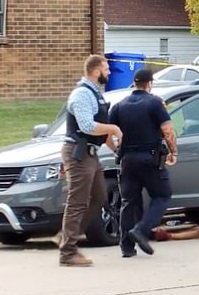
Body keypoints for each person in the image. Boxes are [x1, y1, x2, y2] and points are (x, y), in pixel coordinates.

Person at [59, 54, 123, 267]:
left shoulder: (96, 94)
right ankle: (68, 252)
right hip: (79, 153)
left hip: (90, 153)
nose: (110, 72)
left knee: (99, 196)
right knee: (77, 202)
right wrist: (113, 128)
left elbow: (99, 130)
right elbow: (87, 126)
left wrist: (116, 148)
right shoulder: (82, 95)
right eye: (107, 69)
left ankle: (67, 236)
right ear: (96, 71)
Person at [108, 69, 178, 258]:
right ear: (149, 83)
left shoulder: (119, 105)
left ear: (135, 83)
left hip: (127, 160)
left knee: (129, 202)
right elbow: (168, 130)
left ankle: (126, 247)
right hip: (150, 158)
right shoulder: (154, 102)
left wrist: (116, 151)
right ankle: (141, 230)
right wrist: (173, 152)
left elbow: (108, 133)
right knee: (162, 195)